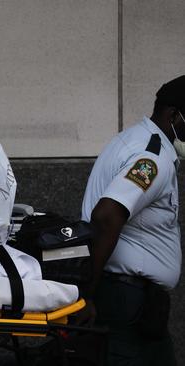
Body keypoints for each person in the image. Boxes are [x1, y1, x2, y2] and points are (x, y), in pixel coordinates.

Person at [80, 75, 184, 365]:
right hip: (125, 299)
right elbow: (106, 216)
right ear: (173, 115)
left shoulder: (135, 139)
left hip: (136, 301)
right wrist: (85, 294)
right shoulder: (152, 158)